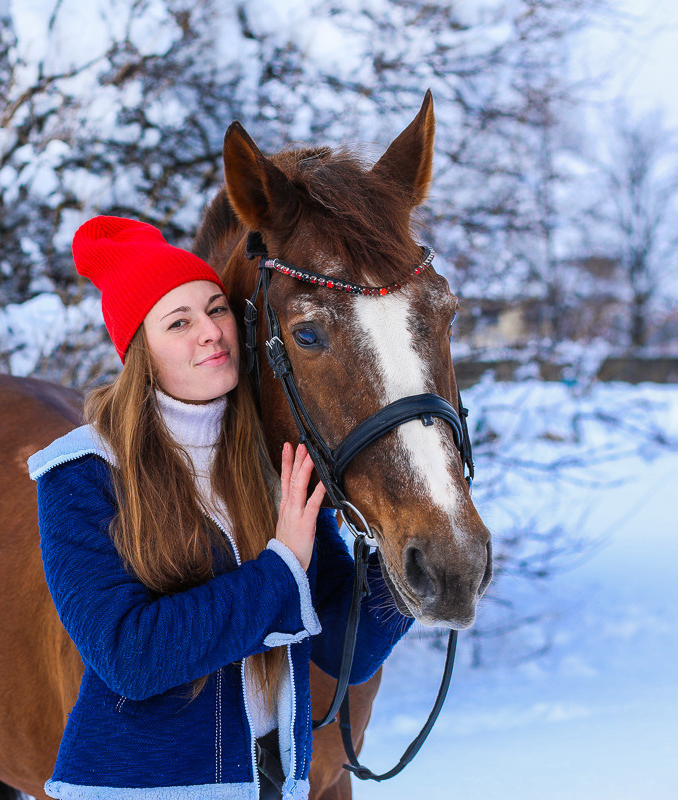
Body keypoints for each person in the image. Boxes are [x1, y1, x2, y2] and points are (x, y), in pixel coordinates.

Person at [27, 216, 412, 800]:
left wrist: (415, 556)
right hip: (145, 789)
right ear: (140, 352)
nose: (210, 331)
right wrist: (281, 568)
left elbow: (342, 650)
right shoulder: (82, 474)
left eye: (216, 309)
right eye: (179, 322)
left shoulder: (268, 458)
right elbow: (129, 656)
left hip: (268, 778)